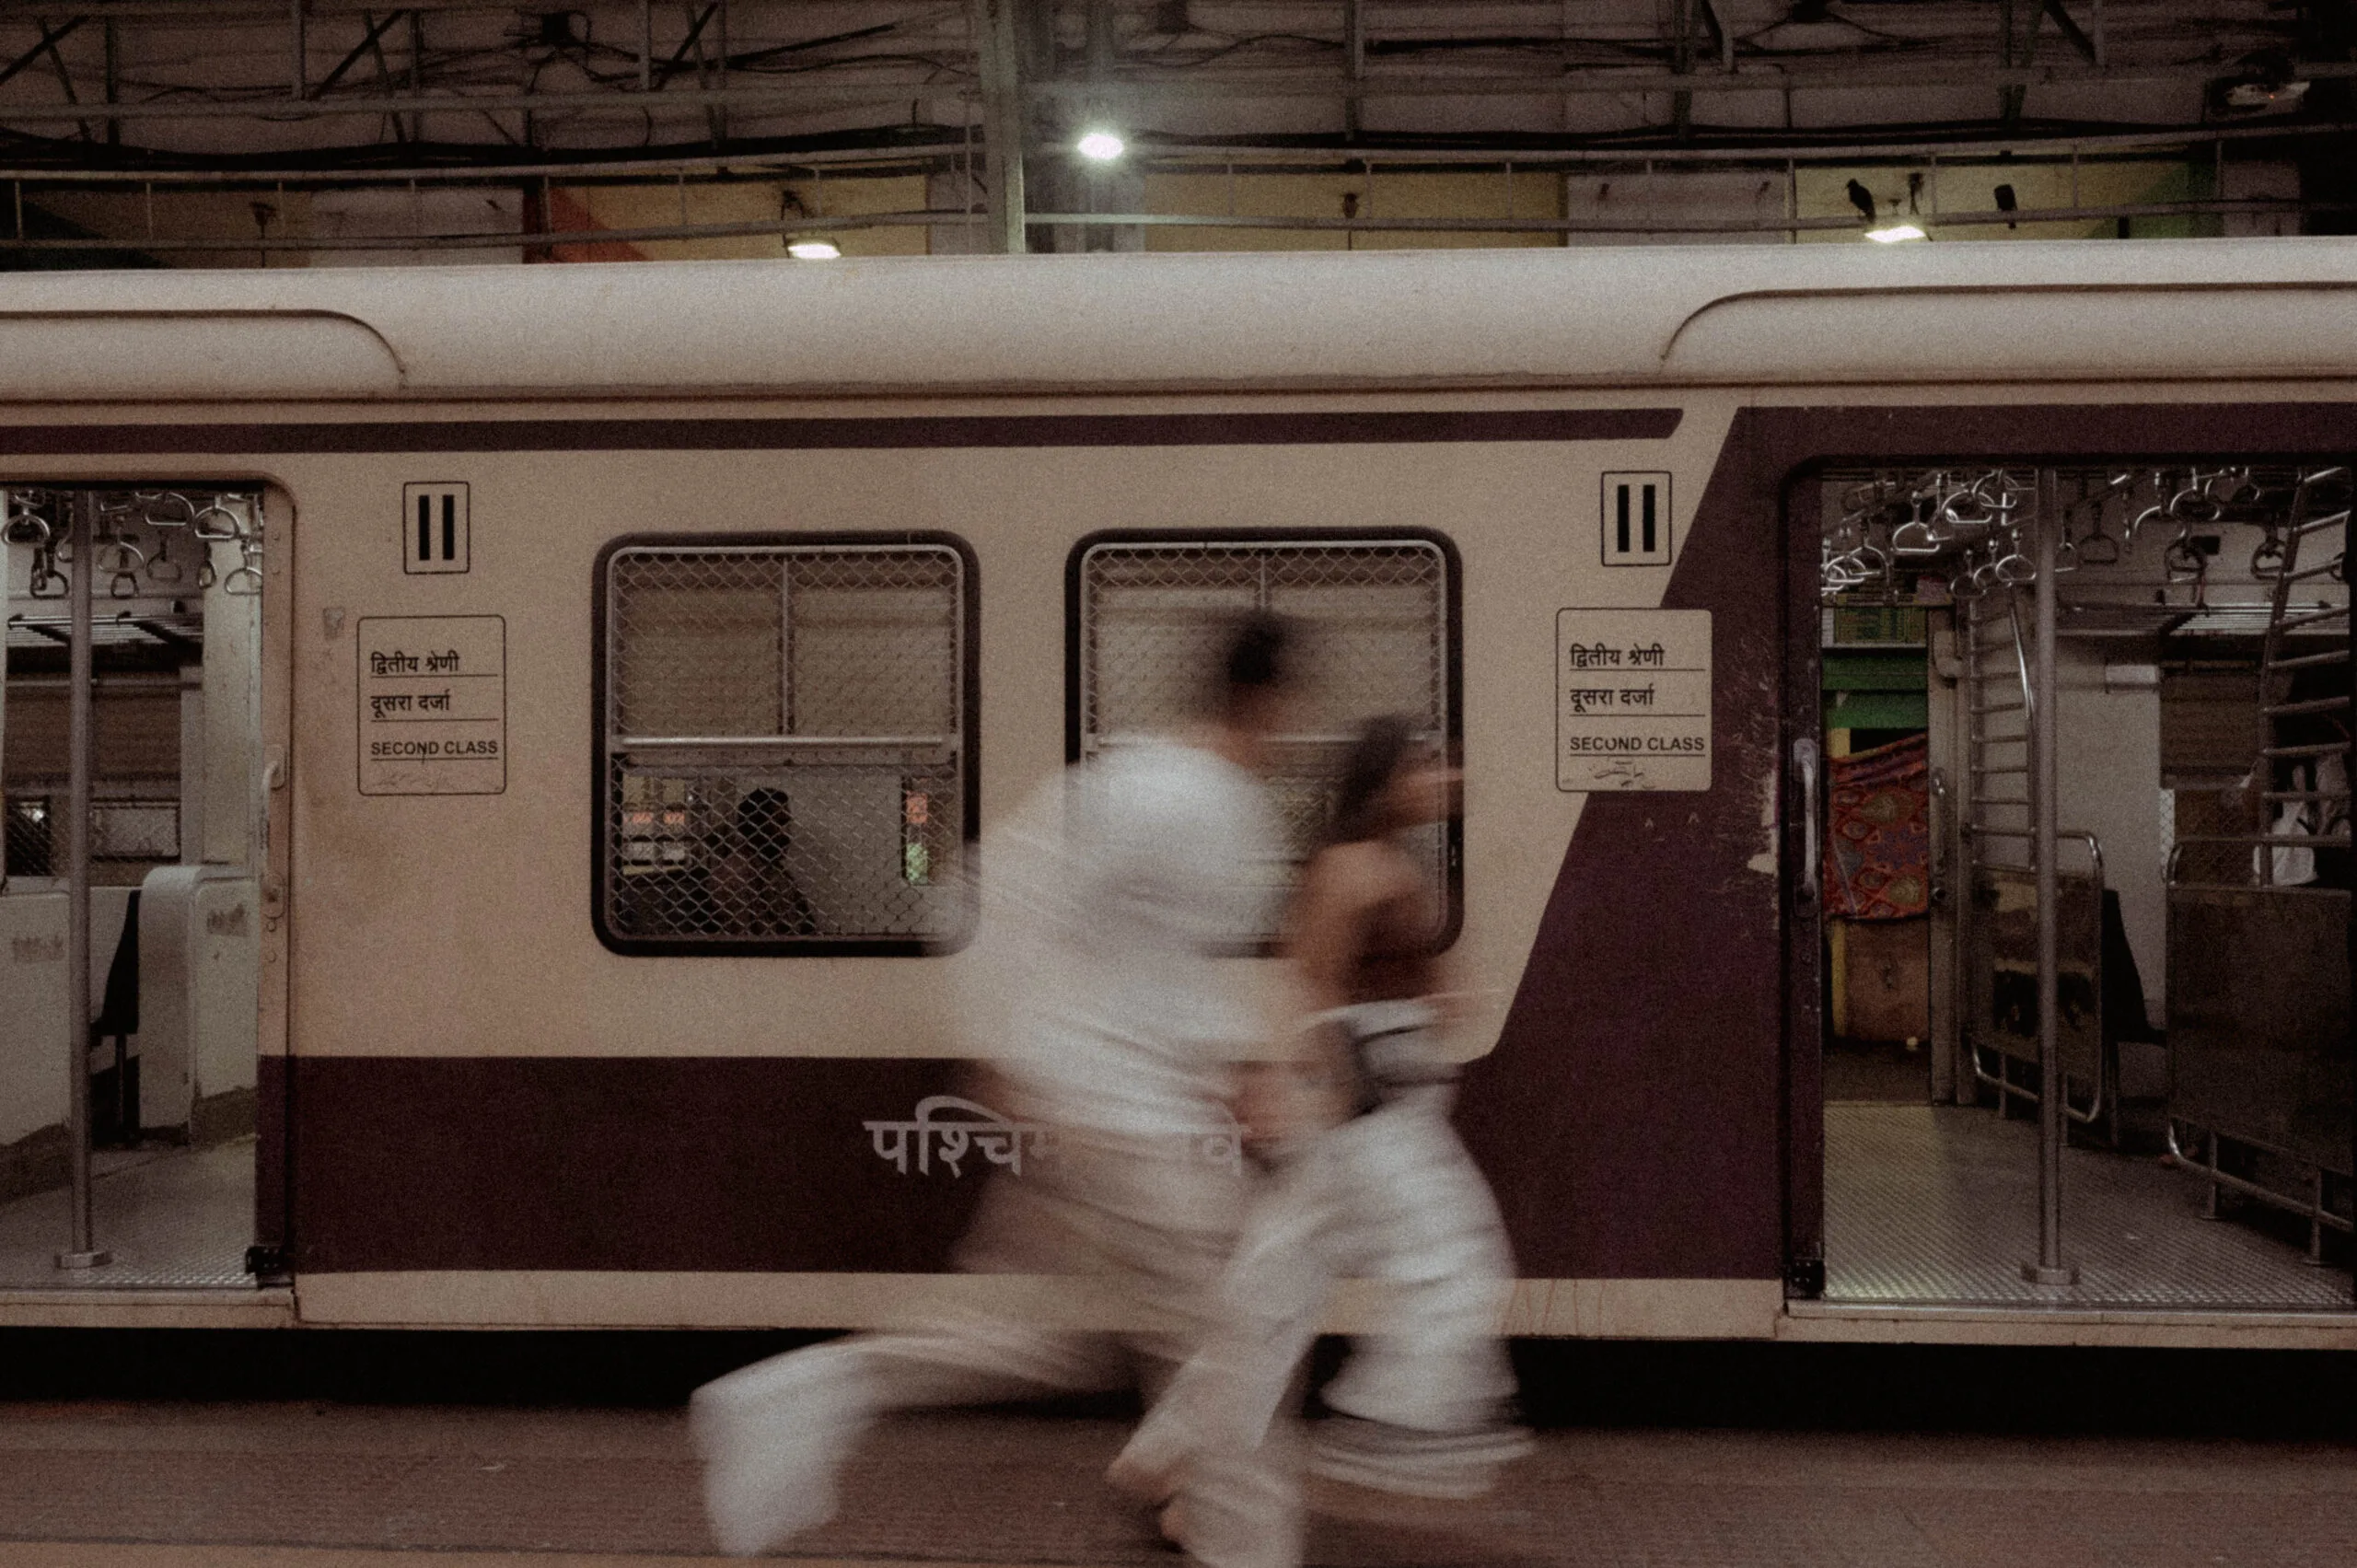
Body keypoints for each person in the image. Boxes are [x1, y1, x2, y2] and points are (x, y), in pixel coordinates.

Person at [688, 611, 1302, 1567]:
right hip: (1128, 1121)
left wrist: (1044, 1059)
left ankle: (807, 1392)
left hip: (1105, 1112)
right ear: (1268, 699)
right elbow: (994, 900)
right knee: (1236, 1347)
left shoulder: (1149, 783)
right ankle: (1246, 1548)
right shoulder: (1188, 795)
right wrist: (1014, 1058)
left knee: (1039, 1337)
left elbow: (1115, 949)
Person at [1110, 714, 1527, 1532]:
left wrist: (1432, 1003)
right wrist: (1336, 1097)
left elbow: (1381, 985)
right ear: (1383, 777)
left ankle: (1169, 1462)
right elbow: (1315, 991)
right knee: (1454, 1262)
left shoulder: (1389, 863)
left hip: (1362, 1116)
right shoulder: (1348, 866)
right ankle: (1389, 1434)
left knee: (1270, 1300)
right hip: (1369, 1115)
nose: (1444, 775)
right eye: (1425, 764)